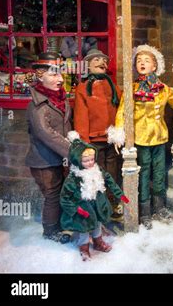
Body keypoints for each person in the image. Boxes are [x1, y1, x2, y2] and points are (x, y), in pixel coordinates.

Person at [108, 45, 173, 229]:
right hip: (141, 139)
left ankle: (159, 208)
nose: (142, 63)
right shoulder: (132, 88)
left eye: (147, 60)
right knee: (143, 174)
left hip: (159, 137)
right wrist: (119, 132)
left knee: (159, 172)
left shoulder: (163, 88)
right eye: (139, 60)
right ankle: (144, 212)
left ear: (155, 66)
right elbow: (122, 112)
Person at [60, 131, 129, 261]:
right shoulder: (74, 178)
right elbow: (64, 198)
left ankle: (98, 242)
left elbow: (110, 181)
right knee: (84, 228)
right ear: (77, 160)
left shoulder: (98, 170)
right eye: (86, 161)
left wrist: (120, 195)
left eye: (92, 159)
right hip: (83, 208)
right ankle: (84, 247)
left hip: (97, 205)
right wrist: (77, 210)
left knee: (97, 224)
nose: (90, 163)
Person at [25, 52, 71, 243]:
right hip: (43, 161)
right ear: (40, 76)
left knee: (60, 192)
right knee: (52, 195)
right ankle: (50, 231)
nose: (59, 79)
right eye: (53, 74)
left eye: (60, 73)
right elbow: (46, 134)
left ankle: (60, 223)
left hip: (57, 158)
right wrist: (73, 151)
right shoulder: (38, 106)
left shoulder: (60, 99)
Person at [74, 49, 124, 222]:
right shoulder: (83, 88)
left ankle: (112, 205)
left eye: (103, 60)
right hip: (94, 142)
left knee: (113, 175)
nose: (101, 62)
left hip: (113, 140)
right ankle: (98, 209)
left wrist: (121, 132)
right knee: (96, 176)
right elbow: (81, 117)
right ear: (88, 65)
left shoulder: (113, 86)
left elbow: (122, 109)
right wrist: (85, 144)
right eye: (96, 60)